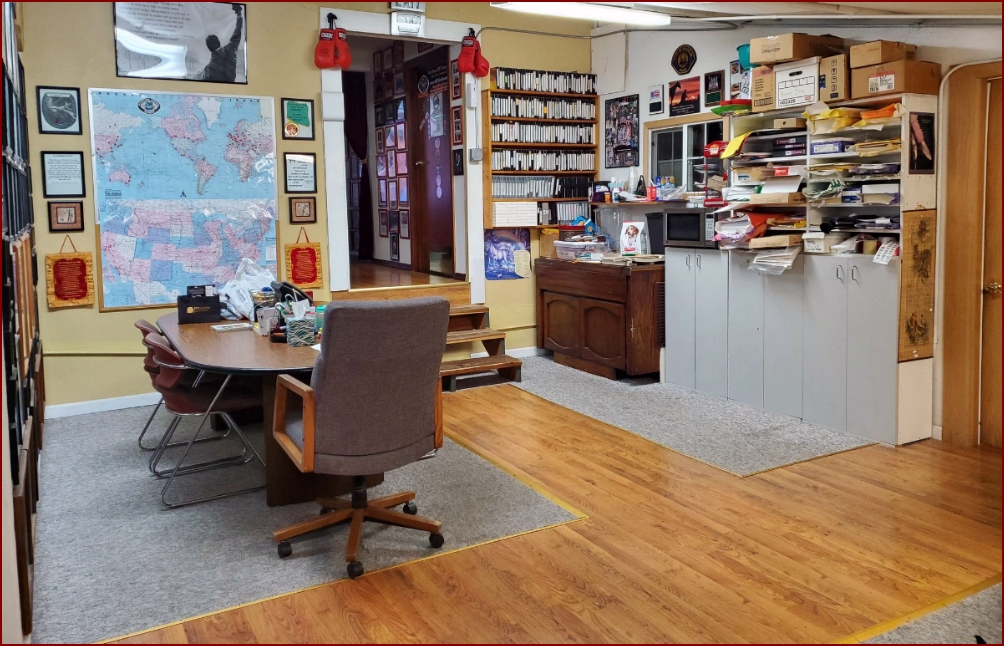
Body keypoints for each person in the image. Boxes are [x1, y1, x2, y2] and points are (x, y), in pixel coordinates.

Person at [199, 4, 243, 83]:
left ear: (209, 48)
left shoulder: (209, 69)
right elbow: (238, 30)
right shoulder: (231, 48)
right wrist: (239, 12)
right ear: (219, 42)